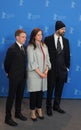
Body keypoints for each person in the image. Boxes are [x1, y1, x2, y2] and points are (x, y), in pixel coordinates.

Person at [44, 20, 70, 116]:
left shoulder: (66, 41)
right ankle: (48, 107)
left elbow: (67, 55)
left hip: (62, 70)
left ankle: (56, 106)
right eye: (63, 29)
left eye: (65, 29)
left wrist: (67, 68)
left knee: (59, 89)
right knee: (50, 89)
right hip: (52, 70)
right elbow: (45, 55)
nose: (64, 31)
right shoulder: (48, 39)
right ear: (57, 29)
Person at [27, 28, 51, 121]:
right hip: (34, 74)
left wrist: (46, 71)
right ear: (34, 36)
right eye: (38, 35)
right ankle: (32, 111)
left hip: (43, 74)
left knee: (40, 92)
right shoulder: (30, 47)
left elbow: (48, 59)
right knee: (34, 93)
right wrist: (40, 73)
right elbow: (31, 62)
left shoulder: (44, 45)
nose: (40, 36)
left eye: (41, 34)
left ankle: (39, 109)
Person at [4, 29, 27, 126]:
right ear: (17, 37)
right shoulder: (12, 49)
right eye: (23, 37)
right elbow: (6, 63)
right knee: (11, 97)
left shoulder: (25, 48)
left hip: (22, 77)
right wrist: (8, 72)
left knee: (20, 96)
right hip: (14, 77)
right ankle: (7, 118)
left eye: (25, 37)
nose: (25, 39)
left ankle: (18, 113)